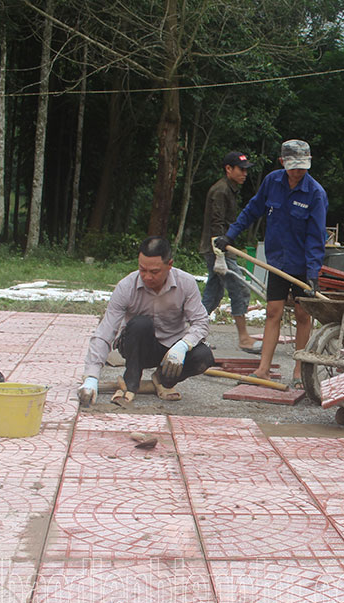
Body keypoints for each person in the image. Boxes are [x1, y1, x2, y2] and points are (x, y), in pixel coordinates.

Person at [214, 140, 327, 387]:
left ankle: (299, 372)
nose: (298, 172)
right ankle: (263, 369)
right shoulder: (272, 182)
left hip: (301, 264)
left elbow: (316, 237)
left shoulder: (315, 193)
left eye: (303, 167)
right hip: (277, 262)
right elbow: (252, 210)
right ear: (282, 163)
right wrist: (230, 235)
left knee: (302, 315)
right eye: (293, 167)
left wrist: (312, 273)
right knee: (273, 312)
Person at [77, 237, 214, 407]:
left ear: (169, 265)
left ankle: (163, 380)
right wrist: (91, 377)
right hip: (136, 346)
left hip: (172, 351)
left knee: (204, 357)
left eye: (154, 272)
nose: (147, 277)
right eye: (142, 270)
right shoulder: (126, 286)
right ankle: (131, 381)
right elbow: (105, 332)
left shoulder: (186, 283)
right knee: (141, 324)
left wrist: (183, 345)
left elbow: (201, 322)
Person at [199, 151, 259, 353]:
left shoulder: (229, 190)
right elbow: (217, 225)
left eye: (246, 170)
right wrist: (220, 255)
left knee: (213, 294)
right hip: (217, 249)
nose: (244, 174)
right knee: (239, 288)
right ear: (228, 169)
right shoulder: (220, 191)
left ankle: (190, 334)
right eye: (241, 170)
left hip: (221, 248)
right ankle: (243, 338)